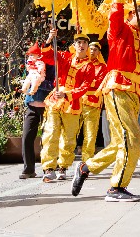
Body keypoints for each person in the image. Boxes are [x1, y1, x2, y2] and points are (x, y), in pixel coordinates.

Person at [70, 0, 140, 202]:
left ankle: (86, 167)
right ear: (132, 14)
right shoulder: (119, 28)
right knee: (132, 139)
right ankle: (115, 188)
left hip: (135, 93)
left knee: (123, 140)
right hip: (117, 86)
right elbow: (116, 5)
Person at [40, 33, 95, 182]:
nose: (81, 45)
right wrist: (50, 39)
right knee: (51, 133)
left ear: (87, 47)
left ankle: (63, 166)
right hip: (55, 100)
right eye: (78, 42)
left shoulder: (89, 66)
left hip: (73, 103)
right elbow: (47, 56)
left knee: (69, 138)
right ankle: (48, 168)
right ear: (74, 45)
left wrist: (67, 94)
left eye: (84, 43)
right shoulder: (64, 57)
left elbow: (84, 87)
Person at [20, 35, 56, 179]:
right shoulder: (31, 62)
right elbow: (26, 76)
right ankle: (28, 169)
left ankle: (50, 168)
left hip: (48, 105)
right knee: (27, 136)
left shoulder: (51, 64)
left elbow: (54, 82)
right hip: (32, 105)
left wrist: (40, 84)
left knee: (49, 137)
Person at [79, 42, 107, 161]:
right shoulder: (79, 63)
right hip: (77, 101)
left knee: (90, 133)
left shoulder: (102, 67)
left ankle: (87, 160)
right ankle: (63, 165)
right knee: (70, 132)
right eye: (90, 49)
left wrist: (85, 81)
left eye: (95, 49)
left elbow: (99, 83)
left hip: (93, 102)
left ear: (99, 52)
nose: (92, 51)